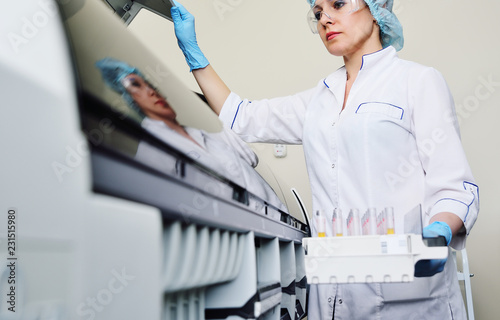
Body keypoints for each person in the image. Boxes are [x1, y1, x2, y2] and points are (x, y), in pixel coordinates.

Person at [170, 0, 479, 319]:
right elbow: (242, 117)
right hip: (335, 294)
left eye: (339, 4)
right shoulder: (319, 99)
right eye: (318, 13)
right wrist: (195, 55)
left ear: (376, 9)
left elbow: (456, 189)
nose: (325, 20)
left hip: (411, 296)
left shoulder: (417, 82)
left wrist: (440, 228)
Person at [95, 57, 287, 215]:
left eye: (151, 85)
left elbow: (250, 160)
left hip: (284, 225)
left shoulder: (206, 135)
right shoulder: (151, 153)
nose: (152, 91)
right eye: (136, 86)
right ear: (128, 101)